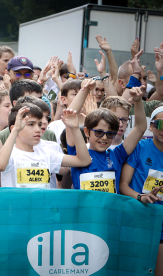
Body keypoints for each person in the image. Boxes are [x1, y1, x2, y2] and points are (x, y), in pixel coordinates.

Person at [66, 78, 146, 193]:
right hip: (85, 211)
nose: (104, 137)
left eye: (110, 134)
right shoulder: (78, 153)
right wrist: (85, 89)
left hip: (111, 211)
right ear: (87, 131)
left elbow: (140, 128)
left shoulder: (117, 155)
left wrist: (138, 101)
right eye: (99, 132)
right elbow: (70, 114)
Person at [0, 102, 91, 188]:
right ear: (13, 128)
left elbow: (84, 160)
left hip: (43, 208)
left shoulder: (47, 153)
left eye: (39, 125)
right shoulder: (8, 154)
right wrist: (15, 130)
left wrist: (75, 128)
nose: (38, 129)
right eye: (31, 124)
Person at [119, 104, 163, 275]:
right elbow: (123, 185)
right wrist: (141, 197)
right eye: (160, 124)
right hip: (139, 217)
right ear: (151, 126)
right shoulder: (140, 147)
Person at [47, 79, 83, 145]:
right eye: (75, 94)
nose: (80, 98)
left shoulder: (94, 123)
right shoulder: (54, 126)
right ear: (64, 99)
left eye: (84, 94)